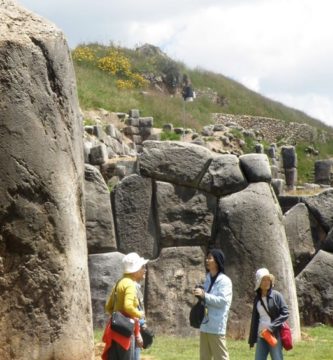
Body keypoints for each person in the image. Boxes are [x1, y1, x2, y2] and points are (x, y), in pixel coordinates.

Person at [102, 252, 148, 360]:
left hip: (114, 331)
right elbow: (128, 307)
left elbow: (108, 307)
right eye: (142, 267)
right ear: (136, 270)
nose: (145, 269)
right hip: (126, 333)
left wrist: (119, 319)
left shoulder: (119, 282)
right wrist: (140, 314)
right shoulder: (130, 284)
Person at [193, 249, 233, 360]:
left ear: (217, 261)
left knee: (221, 358)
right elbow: (206, 297)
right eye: (207, 257)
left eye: (210, 258)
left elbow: (222, 301)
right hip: (205, 325)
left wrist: (204, 295)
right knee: (204, 357)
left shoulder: (225, 281)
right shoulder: (208, 278)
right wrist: (199, 293)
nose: (207, 260)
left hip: (216, 326)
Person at [248, 268, 289, 360]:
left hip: (274, 335)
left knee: (277, 358)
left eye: (268, 280)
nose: (267, 282)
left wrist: (271, 327)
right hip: (261, 336)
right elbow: (255, 320)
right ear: (259, 282)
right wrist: (252, 339)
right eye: (264, 280)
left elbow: (285, 313)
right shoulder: (257, 299)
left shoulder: (276, 295)